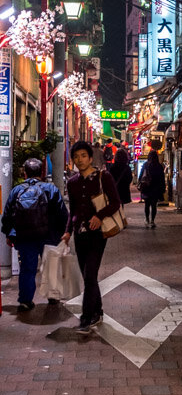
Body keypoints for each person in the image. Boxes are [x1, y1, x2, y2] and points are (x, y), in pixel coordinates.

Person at [62, 140, 122, 334]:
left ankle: (86, 318)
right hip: (79, 235)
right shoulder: (72, 183)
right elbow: (73, 211)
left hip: (98, 235)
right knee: (88, 276)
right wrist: (68, 231)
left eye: (83, 156)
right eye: (76, 157)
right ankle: (98, 310)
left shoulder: (104, 178)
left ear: (90, 157)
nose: (80, 160)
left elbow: (115, 203)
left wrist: (99, 216)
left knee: (90, 275)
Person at [1, 158, 68, 311]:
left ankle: (25, 300)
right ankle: (52, 296)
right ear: (42, 172)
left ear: (25, 173)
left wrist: (8, 234)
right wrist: (63, 233)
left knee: (27, 269)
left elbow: (7, 215)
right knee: (50, 266)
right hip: (48, 235)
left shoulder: (17, 190)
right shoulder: (51, 189)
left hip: (25, 237)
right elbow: (62, 214)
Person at [138, 148, 166, 228]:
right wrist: (163, 188)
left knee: (147, 204)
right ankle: (152, 220)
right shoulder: (159, 166)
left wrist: (140, 182)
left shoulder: (146, 164)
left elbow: (141, 175)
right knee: (154, 205)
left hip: (147, 187)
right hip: (156, 188)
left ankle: (147, 219)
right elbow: (162, 178)